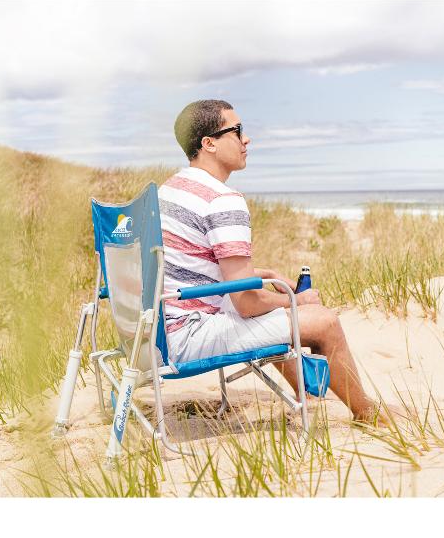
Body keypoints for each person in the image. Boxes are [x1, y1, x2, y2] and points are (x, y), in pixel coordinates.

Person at [159, 99, 384, 423]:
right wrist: (297, 299)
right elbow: (247, 303)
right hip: (188, 336)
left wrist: (264, 276)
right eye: (236, 131)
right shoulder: (223, 200)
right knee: (324, 321)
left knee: (269, 297)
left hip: (159, 329)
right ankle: (367, 413)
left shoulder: (171, 190)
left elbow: (195, 265)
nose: (246, 139)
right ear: (208, 143)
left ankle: (305, 391)